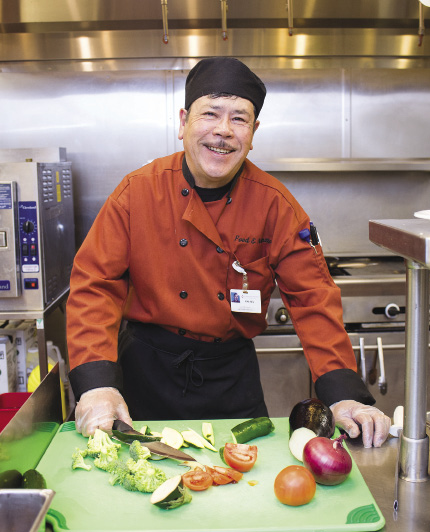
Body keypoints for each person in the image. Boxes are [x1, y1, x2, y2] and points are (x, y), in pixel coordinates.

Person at [67, 57, 391, 448]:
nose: (223, 131)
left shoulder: (276, 205)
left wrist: (344, 394)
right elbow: (95, 285)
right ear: (184, 120)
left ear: (253, 133)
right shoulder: (136, 193)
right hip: (144, 374)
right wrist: (97, 384)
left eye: (239, 119)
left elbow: (312, 299)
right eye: (210, 114)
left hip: (231, 380)